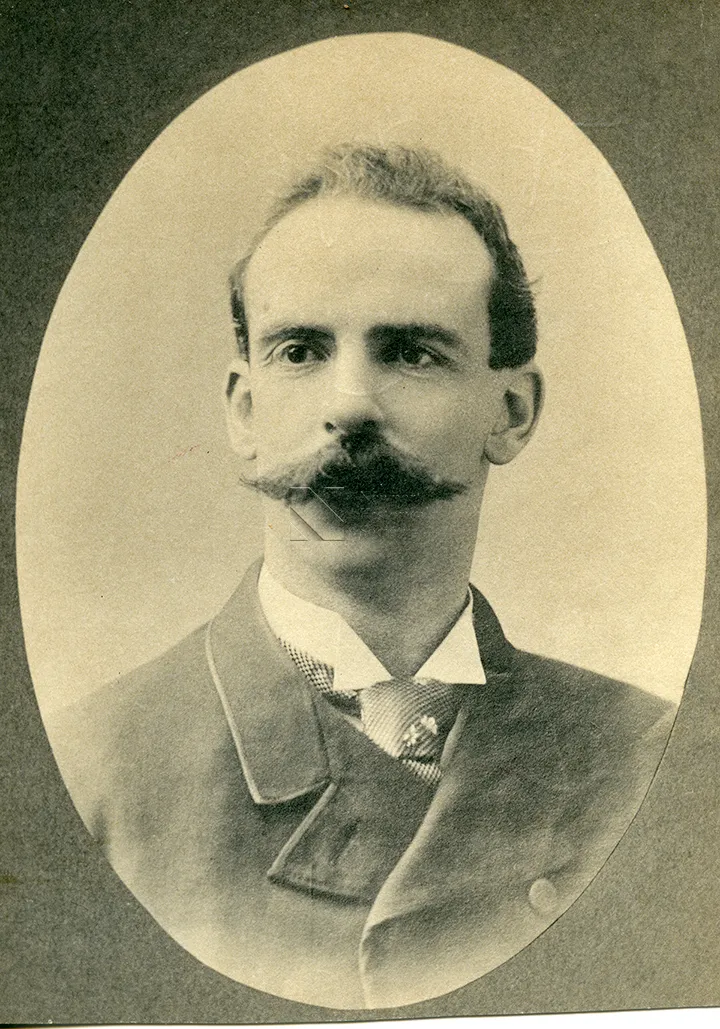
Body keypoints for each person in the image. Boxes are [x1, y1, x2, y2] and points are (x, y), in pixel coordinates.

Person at [47, 145, 674, 1009]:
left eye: (411, 352)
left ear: (511, 410)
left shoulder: (648, 755)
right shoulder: (90, 776)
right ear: (244, 411)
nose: (349, 404)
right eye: (300, 350)